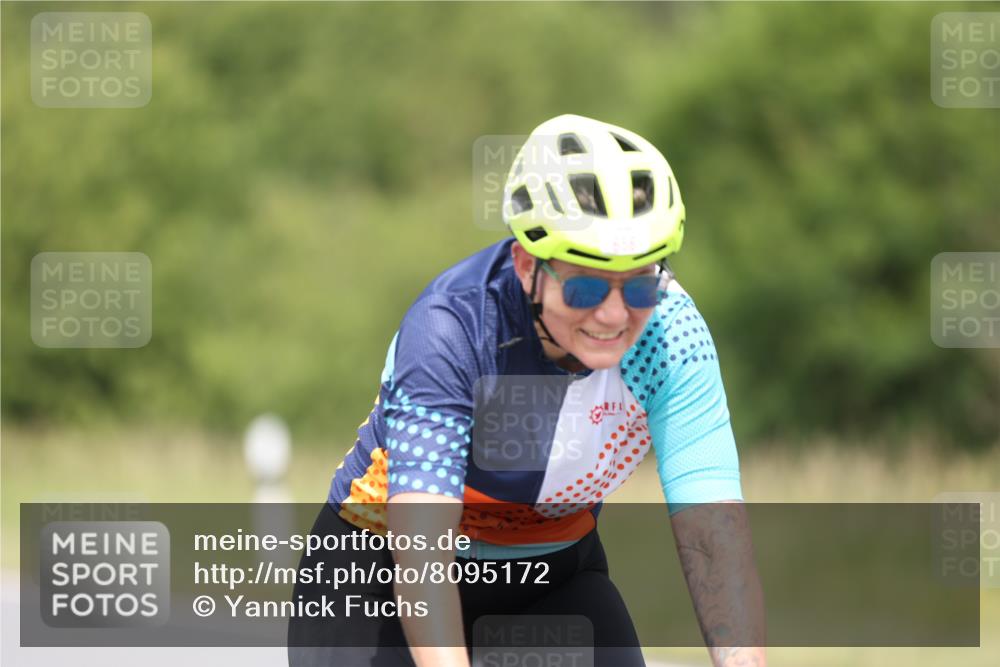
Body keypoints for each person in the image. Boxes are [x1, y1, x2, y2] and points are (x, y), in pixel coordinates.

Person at [288, 114, 766, 667]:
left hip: (551, 576)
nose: (614, 314)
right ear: (526, 264)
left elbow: (713, 537)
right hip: (376, 580)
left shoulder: (671, 336)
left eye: (640, 283)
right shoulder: (454, 328)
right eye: (586, 283)